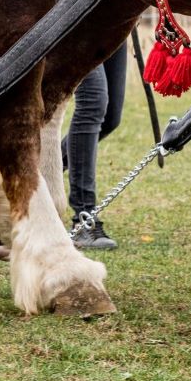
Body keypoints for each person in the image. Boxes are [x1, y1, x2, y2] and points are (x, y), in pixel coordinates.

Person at [62, 42, 128, 249]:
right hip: (78, 17)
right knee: (92, 101)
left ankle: (30, 175)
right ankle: (84, 218)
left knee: (110, 118)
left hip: (117, 18)